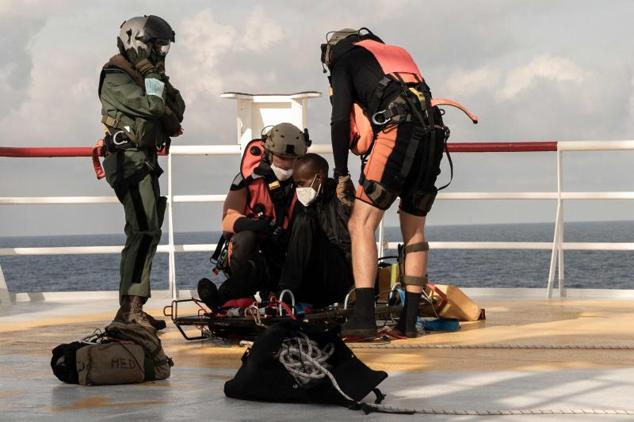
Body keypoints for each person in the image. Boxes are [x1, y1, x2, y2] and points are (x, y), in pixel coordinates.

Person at [321, 28, 448, 338]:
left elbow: (340, 121)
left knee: (360, 224)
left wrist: (341, 173)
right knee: (415, 227)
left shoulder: (344, 61)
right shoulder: (397, 53)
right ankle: (407, 323)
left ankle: (363, 317)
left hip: (399, 132)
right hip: (434, 132)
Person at [99, 15, 185, 332]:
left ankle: (134, 306)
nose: (161, 52)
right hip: (128, 160)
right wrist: (152, 80)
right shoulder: (115, 76)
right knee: (143, 230)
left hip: (145, 159)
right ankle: (129, 309)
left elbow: (178, 105)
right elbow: (152, 107)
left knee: (149, 229)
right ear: (137, 42)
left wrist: (157, 89)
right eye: (157, 45)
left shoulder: (151, 75)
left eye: (164, 46)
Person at [198, 123, 309, 308]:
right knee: (244, 239)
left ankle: (228, 299)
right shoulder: (246, 180)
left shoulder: (305, 179)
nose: (287, 164)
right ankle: (228, 298)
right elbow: (228, 220)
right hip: (256, 254)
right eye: (281, 158)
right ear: (268, 153)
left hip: (291, 255)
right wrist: (257, 225)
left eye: (292, 159)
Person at [277, 153, 354, 308]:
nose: (298, 189)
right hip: (311, 280)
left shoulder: (340, 200)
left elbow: (346, 244)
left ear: (319, 178)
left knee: (305, 222)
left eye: (301, 183)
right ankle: (285, 293)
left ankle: (285, 294)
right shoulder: (301, 204)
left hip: (338, 277)